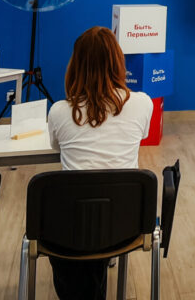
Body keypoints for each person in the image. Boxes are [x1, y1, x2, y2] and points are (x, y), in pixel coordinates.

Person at [46, 26, 154, 300]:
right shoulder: (143, 103)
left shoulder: (59, 111)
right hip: (125, 225)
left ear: (76, 65)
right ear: (118, 62)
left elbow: (56, 148)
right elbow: (141, 135)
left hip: (71, 230)